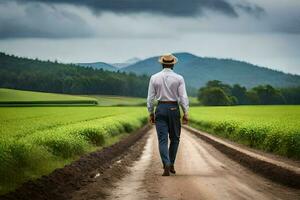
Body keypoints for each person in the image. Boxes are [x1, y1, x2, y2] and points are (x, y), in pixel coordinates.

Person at [147, 53, 189, 176]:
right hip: (173, 108)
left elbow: (150, 98)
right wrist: (185, 112)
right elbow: (183, 97)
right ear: (173, 65)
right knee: (175, 139)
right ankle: (171, 164)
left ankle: (166, 162)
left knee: (162, 140)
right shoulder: (179, 78)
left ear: (162, 63)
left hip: (160, 108)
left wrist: (151, 112)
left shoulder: (154, 78)